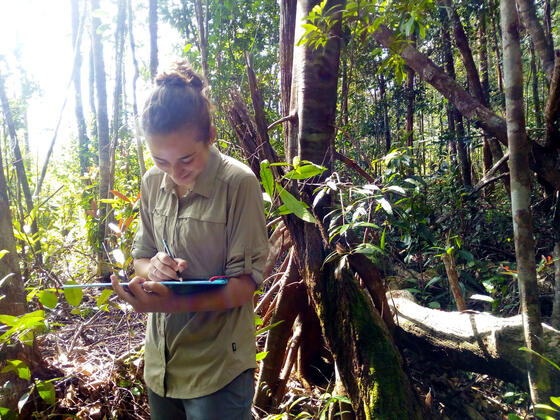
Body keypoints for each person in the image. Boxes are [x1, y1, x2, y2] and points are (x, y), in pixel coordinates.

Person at [111, 61, 269, 420]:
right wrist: (153, 268)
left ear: (210, 136)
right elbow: (141, 256)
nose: (175, 172)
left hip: (217, 368)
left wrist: (170, 304)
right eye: (160, 160)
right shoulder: (152, 182)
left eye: (186, 159)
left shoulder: (238, 184)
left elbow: (245, 287)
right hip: (161, 365)